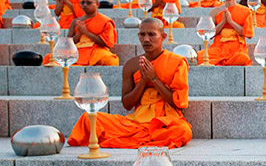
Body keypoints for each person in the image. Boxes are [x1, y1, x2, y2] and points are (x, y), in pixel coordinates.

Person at [67, 18, 192, 149]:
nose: (146, 39)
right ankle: (144, 137)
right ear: (138, 36)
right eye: (142, 35)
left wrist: (154, 80)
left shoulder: (177, 62)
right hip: (136, 122)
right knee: (89, 119)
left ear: (163, 36)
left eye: (152, 34)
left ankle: (139, 138)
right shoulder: (131, 65)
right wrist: (143, 81)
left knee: (183, 131)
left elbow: (179, 103)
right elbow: (127, 104)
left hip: (165, 123)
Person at [44, 0, 118, 66]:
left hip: (96, 50)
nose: (85, 5)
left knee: (109, 61)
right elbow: (69, 44)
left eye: (88, 3)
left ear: (97, 4)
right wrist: (79, 34)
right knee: (49, 57)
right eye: (82, 2)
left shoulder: (105, 21)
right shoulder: (75, 22)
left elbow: (107, 43)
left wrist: (86, 32)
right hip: (78, 50)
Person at [197, 0, 253, 66]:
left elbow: (248, 34)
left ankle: (219, 62)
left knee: (243, 58)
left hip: (236, 48)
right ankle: (222, 61)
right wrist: (223, 22)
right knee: (199, 56)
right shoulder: (215, 12)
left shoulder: (246, 11)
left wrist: (231, 22)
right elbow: (210, 34)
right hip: (219, 47)